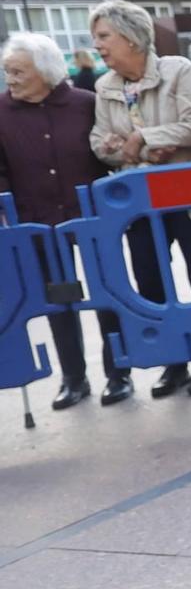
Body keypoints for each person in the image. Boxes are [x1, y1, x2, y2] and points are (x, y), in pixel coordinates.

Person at [88, 0, 191, 401]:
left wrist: (140, 139)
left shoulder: (178, 71)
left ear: (130, 36)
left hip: (190, 198)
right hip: (138, 205)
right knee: (149, 281)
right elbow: (101, 143)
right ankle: (174, 364)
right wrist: (149, 147)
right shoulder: (105, 87)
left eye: (103, 36)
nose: (97, 45)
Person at [0, 33, 131, 408]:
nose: (10, 79)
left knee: (106, 296)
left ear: (45, 71)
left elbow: (107, 153)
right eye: (7, 71)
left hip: (89, 219)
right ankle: (73, 379)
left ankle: (117, 374)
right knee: (58, 305)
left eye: (18, 71)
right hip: (36, 224)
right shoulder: (1, 111)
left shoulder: (85, 104)